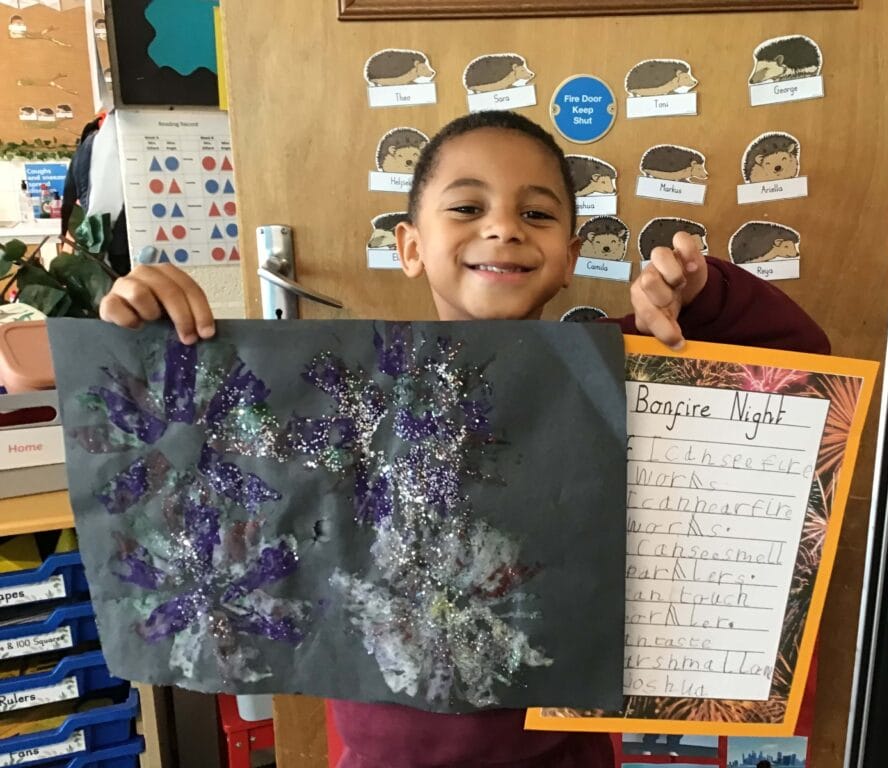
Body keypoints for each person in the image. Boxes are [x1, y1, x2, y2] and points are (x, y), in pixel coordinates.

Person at [99, 111, 828, 768]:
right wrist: (145, 324)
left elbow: (799, 361)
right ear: (411, 246)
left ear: (570, 256)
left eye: (535, 213)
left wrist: (703, 296)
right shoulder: (335, 388)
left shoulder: (611, 372)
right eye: (468, 207)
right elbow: (201, 438)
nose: (503, 228)